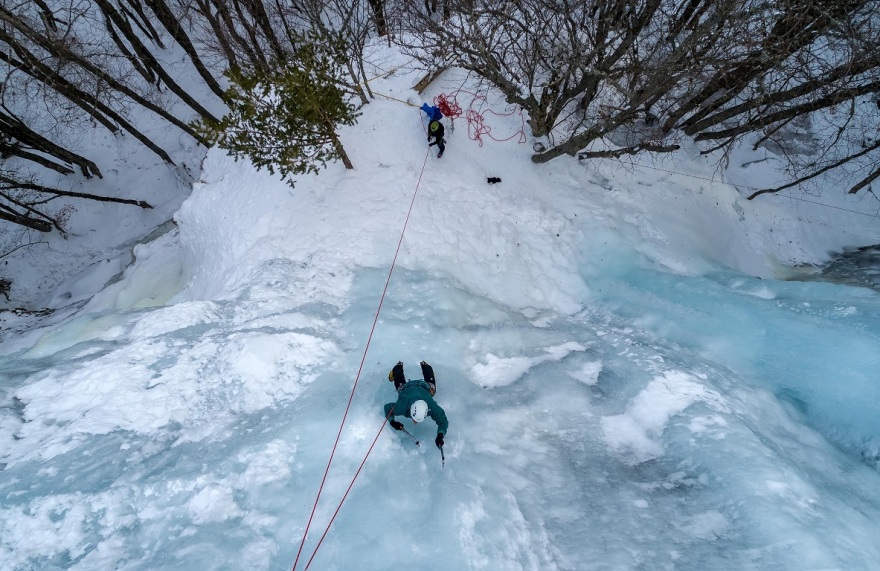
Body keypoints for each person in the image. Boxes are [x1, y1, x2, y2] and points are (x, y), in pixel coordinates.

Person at [384, 360, 448, 448]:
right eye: (415, 419)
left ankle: (401, 367)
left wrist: (440, 435)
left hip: (421, 386)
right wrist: (392, 422)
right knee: (401, 388)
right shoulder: (402, 407)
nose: (415, 423)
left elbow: (443, 421)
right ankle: (421, 367)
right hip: (409, 387)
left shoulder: (431, 407)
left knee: (431, 389)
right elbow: (387, 408)